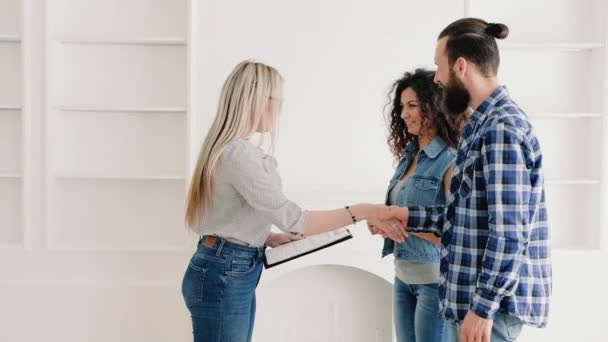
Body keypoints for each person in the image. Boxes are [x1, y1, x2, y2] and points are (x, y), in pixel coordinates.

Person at [181, 60, 405, 342]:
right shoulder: (240, 156)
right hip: (225, 271)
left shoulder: (233, 151)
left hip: (229, 265)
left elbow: (230, 214)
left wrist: (267, 237)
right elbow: (297, 220)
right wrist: (362, 211)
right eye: (277, 101)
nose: (279, 110)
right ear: (257, 101)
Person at [382, 19, 552, 342]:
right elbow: (463, 218)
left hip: (492, 309)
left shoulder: (501, 129)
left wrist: (484, 307)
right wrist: (405, 215)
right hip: (478, 302)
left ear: (460, 66)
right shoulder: (480, 126)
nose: (436, 78)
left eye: (439, 67)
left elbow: (508, 233)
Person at [370, 68, 463, 342]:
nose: (403, 114)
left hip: (434, 282)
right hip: (403, 277)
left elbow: (455, 231)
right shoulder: (409, 157)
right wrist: (384, 224)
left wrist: (400, 225)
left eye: (412, 105)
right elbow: (404, 216)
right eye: (401, 106)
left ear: (434, 108)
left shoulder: (450, 159)